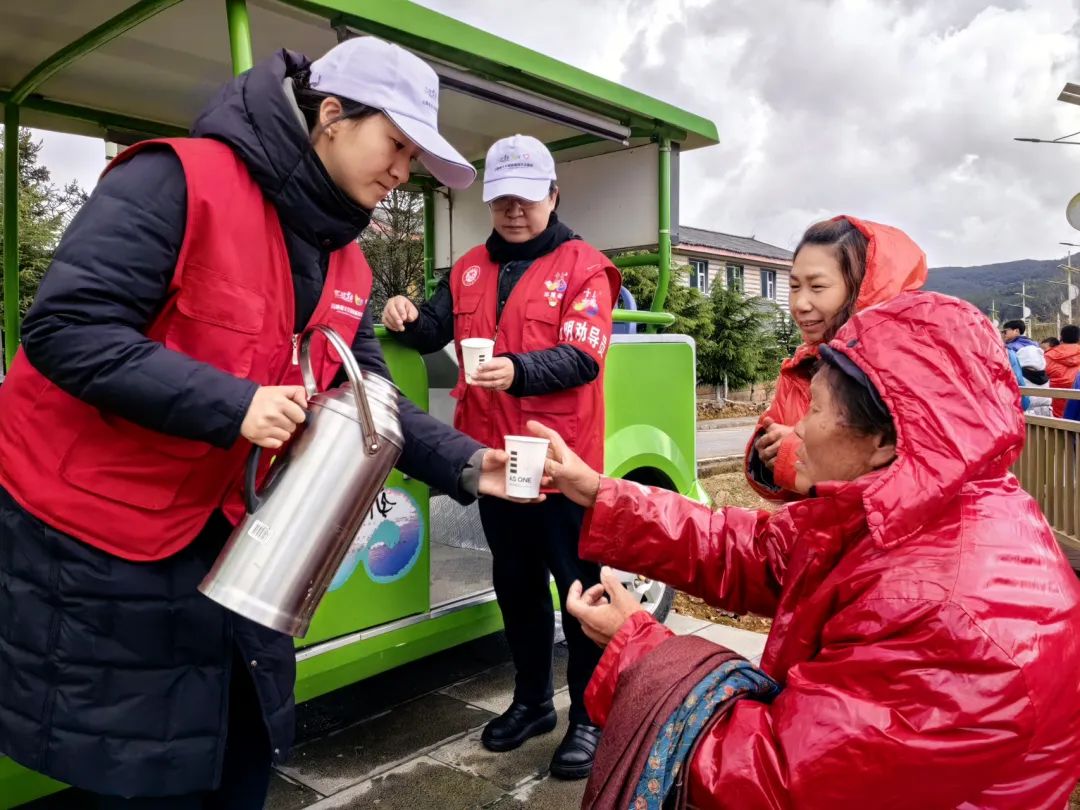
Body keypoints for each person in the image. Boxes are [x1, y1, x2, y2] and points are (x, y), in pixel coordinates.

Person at [0, 37, 519, 808]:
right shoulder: (176, 181)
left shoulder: (346, 262)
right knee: (146, 776)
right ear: (332, 116)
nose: (403, 171)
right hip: (98, 540)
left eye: (415, 156)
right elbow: (67, 330)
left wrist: (470, 463)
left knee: (244, 751)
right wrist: (234, 404)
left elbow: (371, 397)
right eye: (397, 144)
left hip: (237, 542)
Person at [537, 291, 1080, 809]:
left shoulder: (949, 613)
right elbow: (749, 548)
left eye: (815, 410)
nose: (798, 429)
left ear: (886, 439)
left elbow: (773, 783)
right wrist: (598, 491)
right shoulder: (918, 509)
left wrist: (638, 653)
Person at [382, 134, 620, 779]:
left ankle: (590, 718)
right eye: (501, 199)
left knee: (582, 593)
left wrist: (515, 369)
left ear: (553, 195)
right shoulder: (465, 269)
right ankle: (533, 702)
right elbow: (435, 329)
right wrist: (404, 313)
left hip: (560, 465)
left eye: (528, 197)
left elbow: (584, 355)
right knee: (515, 586)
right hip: (494, 465)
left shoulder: (585, 267)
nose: (515, 210)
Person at [746, 216, 926, 500]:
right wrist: (766, 451)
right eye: (794, 287)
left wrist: (793, 451)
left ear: (862, 288)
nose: (800, 304)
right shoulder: (802, 364)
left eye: (817, 287)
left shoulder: (903, 368)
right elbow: (770, 446)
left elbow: (916, 475)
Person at [1002, 319, 1052, 416]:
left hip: (1024, 402)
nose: (1003, 334)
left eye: (1005, 331)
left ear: (1016, 331)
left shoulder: (1010, 348)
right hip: (1044, 399)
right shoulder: (1036, 346)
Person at [1045, 324, 1080, 418]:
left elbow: (1043, 377)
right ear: (1078, 338)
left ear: (1061, 337)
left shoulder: (1049, 355)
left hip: (1055, 400)